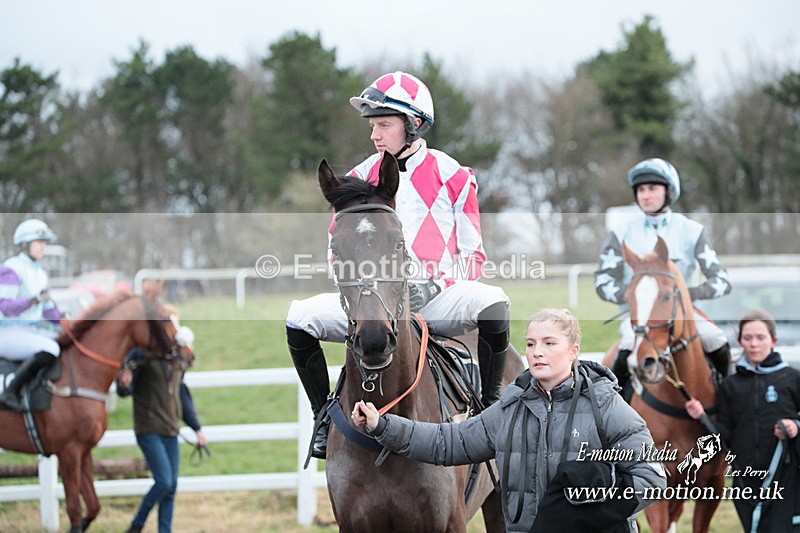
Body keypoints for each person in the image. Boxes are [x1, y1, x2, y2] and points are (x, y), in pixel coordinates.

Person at [287, 71, 510, 459]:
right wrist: (359, 294)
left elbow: (473, 254)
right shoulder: (357, 177)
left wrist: (435, 285)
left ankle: (488, 409)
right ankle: (322, 415)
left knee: (494, 302)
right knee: (299, 317)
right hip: (371, 306)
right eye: (372, 126)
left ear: (414, 125)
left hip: (435, 302)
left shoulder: (453, 175)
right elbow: (335, 250)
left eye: (384, 125)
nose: (375, 135)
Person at [352, 308, 666, 532]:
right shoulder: (511, 407)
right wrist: (383, 426)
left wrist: (589, 513)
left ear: (574, 351)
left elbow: (652, 477)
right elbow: (449, 442)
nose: (537, 352)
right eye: (530, 344)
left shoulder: (606, 405)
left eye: (549, 343)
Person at [594, 158, 732, 392]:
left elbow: (722, 281)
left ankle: (728, 399)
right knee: (628, 345)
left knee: (716, 339)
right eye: (641, 190)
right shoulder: (620, 233)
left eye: (652, 189)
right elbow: (602, 281)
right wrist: (630, 295)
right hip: (639, 317)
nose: (646, 195)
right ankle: (613, 403)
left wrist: (685, 295)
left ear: (668, 192)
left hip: (682, 314)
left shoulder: (692, 231)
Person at [685, 309, 800, 532]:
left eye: (760, 338)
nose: (754, 344)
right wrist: (702, 417)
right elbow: (726, 436)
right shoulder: (731, 385)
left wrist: (795, 426)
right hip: (746, 480)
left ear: (773, 341)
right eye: (747, 338)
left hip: (785, 478)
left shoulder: (791, 378)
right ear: (740, 341)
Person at [116, 325, 207, 533]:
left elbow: (181, 397)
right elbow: (124, 389)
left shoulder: (175, 365)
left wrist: (197, 428)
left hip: (170, 431)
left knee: (171, 487)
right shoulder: (143, 357)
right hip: (148, 429)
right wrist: (124, 384)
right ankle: (136, 525)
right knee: (164, 482)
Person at [0, 218, 62, 411]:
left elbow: (50, 312)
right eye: (39, 242)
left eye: (44, 242)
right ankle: (11, 391)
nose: (43, 246)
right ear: (25, 244)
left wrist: (67, 321)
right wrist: (33, 300)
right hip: (8, 332)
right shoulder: (12, 268)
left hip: (29, 331)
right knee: (51, 348)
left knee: (64, 341)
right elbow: (5, 307)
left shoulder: (41, 273)